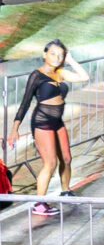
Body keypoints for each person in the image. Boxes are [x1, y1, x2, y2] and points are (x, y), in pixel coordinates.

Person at [7, 40, 89, 215]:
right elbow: (25, 102)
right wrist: (15, 129)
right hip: (42, 122)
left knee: (66, 158)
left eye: (60, 55)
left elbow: (84, 77)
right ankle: (39, 204)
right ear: (44, 54)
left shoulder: (61, 72)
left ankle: (65, 191)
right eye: (53, 54)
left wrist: (71, 61)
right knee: (50, 162)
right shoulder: (37, 75)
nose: (56, 58)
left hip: (58, 122)